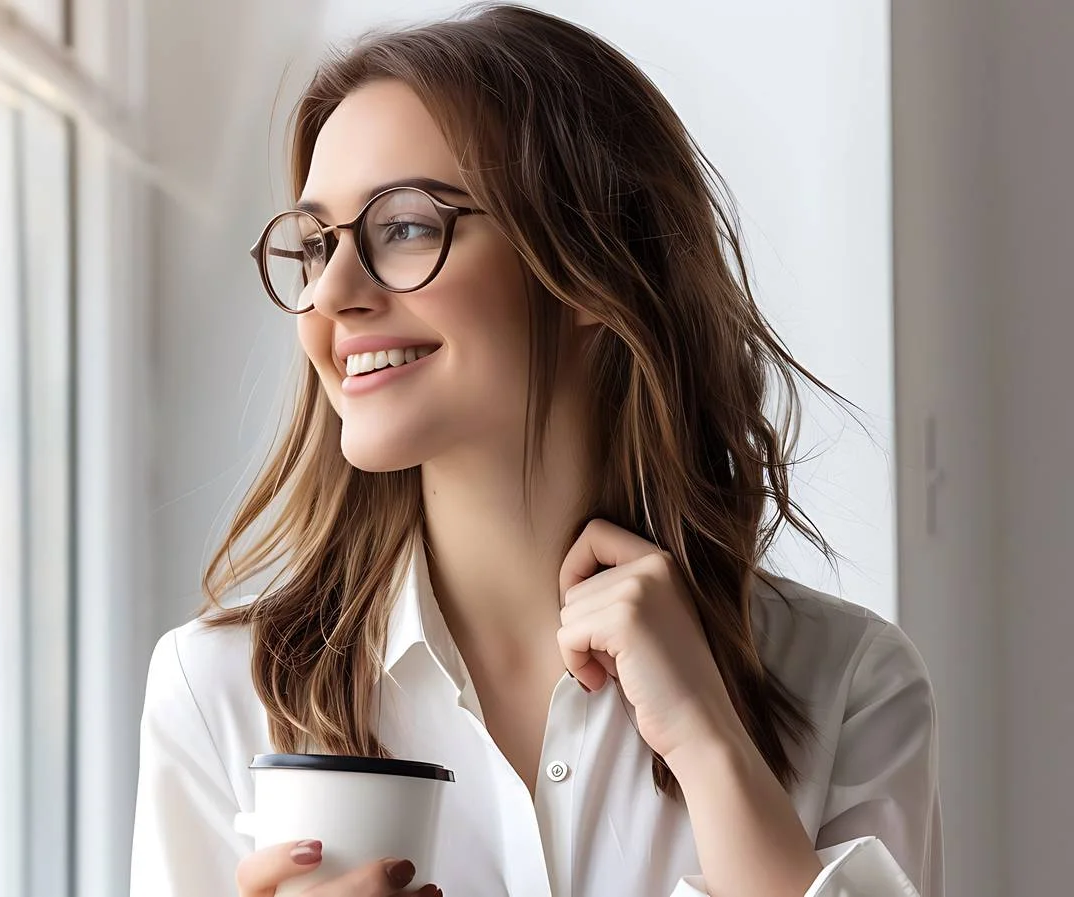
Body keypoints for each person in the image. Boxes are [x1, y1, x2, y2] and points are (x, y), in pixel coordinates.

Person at [130, 4, 942, 896]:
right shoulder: (215, 695)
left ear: (593, 262)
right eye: (318, 244)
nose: (331, 291)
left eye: (404, 226)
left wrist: (712, 746)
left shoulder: (847, 686)